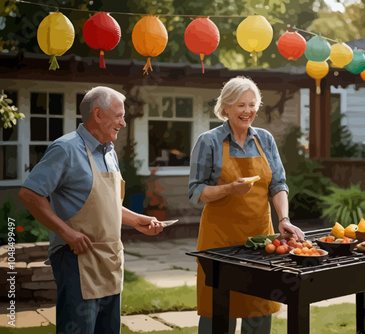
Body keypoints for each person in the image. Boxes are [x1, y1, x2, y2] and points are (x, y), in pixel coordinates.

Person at [19, 86, 164, 333]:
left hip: (110, 259)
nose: (124, 122)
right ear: (98, 114)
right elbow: (30, 194)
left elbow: (107, 204)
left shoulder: (110, 152)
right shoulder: (65, 149)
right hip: (77, 260)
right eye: (119, 115)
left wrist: (138, 220)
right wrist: (67, 234)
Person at [189, 76, 304, 334]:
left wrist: (283, 219)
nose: (248, 111)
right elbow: (196, 191)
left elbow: (278, 184)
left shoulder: (265, 139)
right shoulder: (208, 141)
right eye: (240, 105)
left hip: (261, 239)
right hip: (219, 239)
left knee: (258, 310)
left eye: (252, 105)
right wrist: (230, 188)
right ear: (226, 107)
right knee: (218, 310)